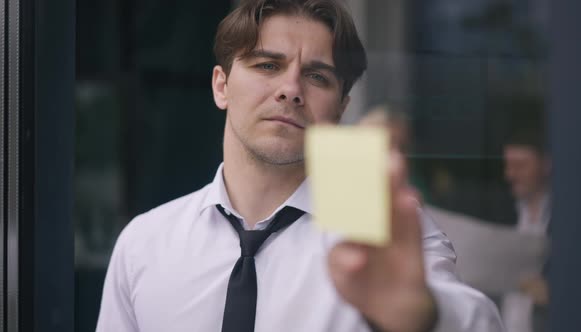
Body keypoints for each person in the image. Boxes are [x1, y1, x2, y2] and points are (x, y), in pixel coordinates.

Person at [96, 1, 504, 331]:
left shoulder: (378, 233)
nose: (290, 89)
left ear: (341, 108)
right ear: (221, 85)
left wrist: (420, 317)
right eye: (267, 66)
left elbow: (476, 321)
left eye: (317, 76)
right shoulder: (144, 243)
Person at [501, 128, 551, 332]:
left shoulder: (567, 223)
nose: (510, 174)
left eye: (520, 166)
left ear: (546, 165)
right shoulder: (504, 214)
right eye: (508, 165)